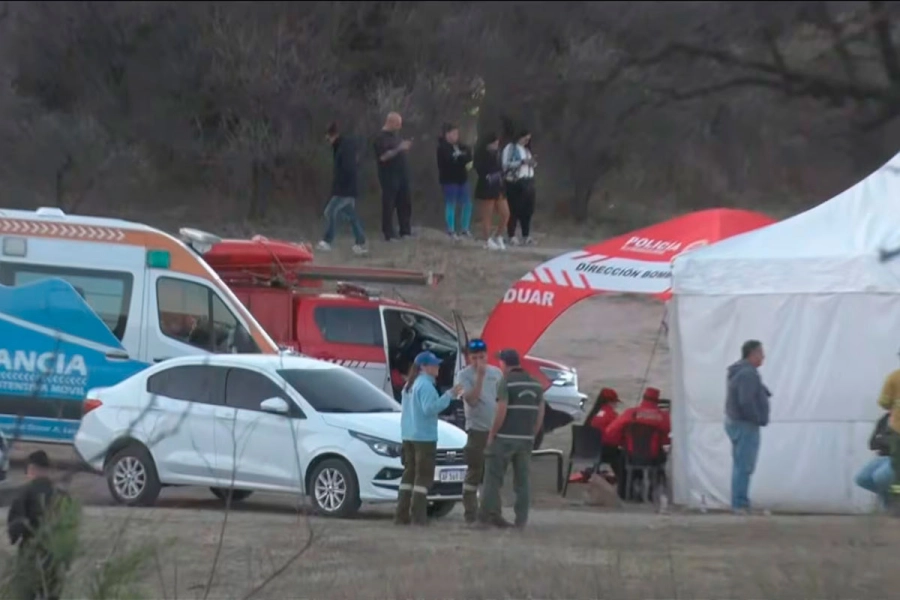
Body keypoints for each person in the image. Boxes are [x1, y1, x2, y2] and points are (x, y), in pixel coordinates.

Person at [478, 348, 545, 529]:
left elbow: (501, 410)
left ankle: (486, 517)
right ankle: (521, 520)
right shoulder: (535, 384)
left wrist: (492, 434)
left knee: (493, 478)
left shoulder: (506, 383)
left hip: (504, 438)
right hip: (525, 440)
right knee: (522, 481)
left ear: (505, 363)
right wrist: (532, 434)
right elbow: (540, 414)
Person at [395, 351, 463, 525]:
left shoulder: (409, 386)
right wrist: (449, 396)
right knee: (423, 477)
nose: (438, 367)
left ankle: (401, 514)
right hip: (424, 437)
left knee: (409, 475)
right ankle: (419, 517)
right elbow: (430, 409)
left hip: (408, 434)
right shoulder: (425, 385)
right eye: (434, 364)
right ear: (424, 367)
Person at [7, 451, 76, 600]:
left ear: (31, 469)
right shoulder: (62, 495)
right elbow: (71, 528)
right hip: (54, 557)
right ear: (48, 470)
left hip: (30, 556)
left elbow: (15, 528)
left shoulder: (24, 493)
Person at [456, 338, 503, 524]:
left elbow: (501, 400)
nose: (478, 362)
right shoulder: (463, 375)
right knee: (475, 471)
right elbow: (471, 400)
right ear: (469, 358)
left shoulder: (497, 373)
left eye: (481, 357)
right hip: (477, 429)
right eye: (474, 358)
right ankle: (471, 514)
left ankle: (493, 514)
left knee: (494, 473)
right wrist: (480, 378)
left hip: (495, 429)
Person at [724, 340, 771, 514]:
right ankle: (740, 503)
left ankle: (739, 501)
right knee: (744, 465)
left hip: (737, 422)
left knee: (740, 464)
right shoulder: (748, 374)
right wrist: (758, 418)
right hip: (745, 424)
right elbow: (746, 401)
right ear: (752, 354)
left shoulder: (739, 372)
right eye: (761, 353)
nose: (763, 357)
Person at [604, 387, 671, 499]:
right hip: (653, 460)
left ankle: (625, 492)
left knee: (620, 457)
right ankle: (652, 492)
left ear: (643, 398)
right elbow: (668, 438)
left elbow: (610, 432)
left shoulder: (630, 413)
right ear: (657, 401)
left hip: (632, 457)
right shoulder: (663, 417)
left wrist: (623, 441)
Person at [317, 122, 367, 255]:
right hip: (346, 187)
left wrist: (342, 186)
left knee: (330, 211)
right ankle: (360, 242)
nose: (328, 141)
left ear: (334, 135)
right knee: (351, 215)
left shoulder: (345, 147)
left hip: (345, 189)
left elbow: (348, 168)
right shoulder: (341, 146)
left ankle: (327, 241)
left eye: (329, 138)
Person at [373, 112, 414, 242]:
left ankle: (405, 231)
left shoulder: (396, 136)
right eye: (397, 124)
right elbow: (383, 157)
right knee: (389, 204)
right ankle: (388, 233)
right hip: (389, 176)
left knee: (405, 203)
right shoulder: (380, 138)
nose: (399, 127)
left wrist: (404, 148)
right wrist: (399, 148)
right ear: (390, 122)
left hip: (402, 175)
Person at [436, 123, 473, 240]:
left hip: (462, 178)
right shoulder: (442, 148)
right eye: (454, 133)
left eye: (457, 133)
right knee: (451, 204)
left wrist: (462, 157)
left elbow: (467, 156)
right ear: (447, 134)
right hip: (449, 180)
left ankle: (464, 228)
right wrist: (460, 158)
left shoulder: (460, 146)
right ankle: (450, 230)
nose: (456, 136)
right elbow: (450, 161)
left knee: (467, 204)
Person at [501, 130, 537, 246]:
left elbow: (530, 164)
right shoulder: (511, 148)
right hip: (515, 182)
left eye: (528, 139)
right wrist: (522, 162)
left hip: (528, 180)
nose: (526, 141)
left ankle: (526, 235)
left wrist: (532, 162)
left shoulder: (527, 150)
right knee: (514, 210)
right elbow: (506, 164)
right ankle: (511, 235)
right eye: (525, 138)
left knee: (527, 211)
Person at [473, 132, 508, 250]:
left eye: (497, 143)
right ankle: (487, 240)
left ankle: (498, 235)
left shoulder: (498, 154)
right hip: (487, 186)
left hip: (499, 186)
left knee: (505, 213)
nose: (496, 145)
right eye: (494, 143)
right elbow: (480, 170)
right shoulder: (481, 154)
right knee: (487, 215)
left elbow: (501, 168)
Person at [855, 411, 893, 508]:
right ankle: (892, 500)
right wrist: (888, 441)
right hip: (883, 456)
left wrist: (882, 439)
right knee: (862, 479)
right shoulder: (885, 419)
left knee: (880, 476)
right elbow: (872, 444)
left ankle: (890, 505)